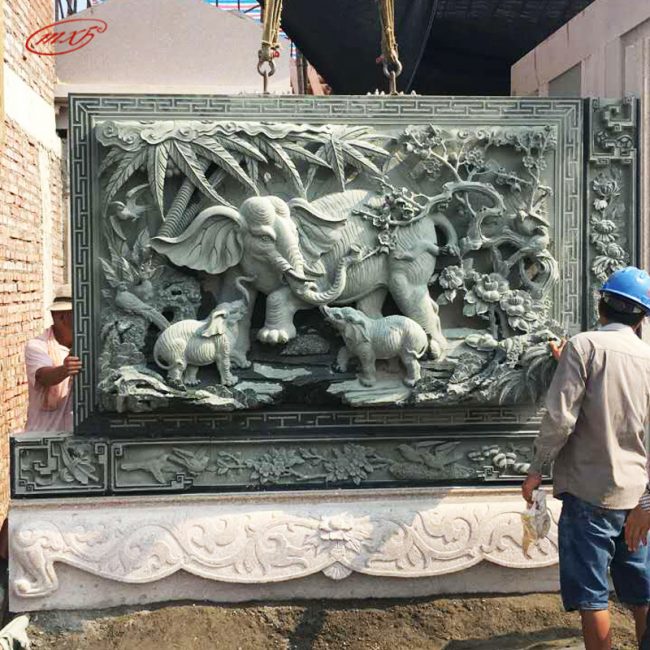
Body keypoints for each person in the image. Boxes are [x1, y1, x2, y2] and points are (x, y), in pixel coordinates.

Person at [521, 266, 650, 650]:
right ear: (642, 318)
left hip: (589, 495)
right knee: (641, 591)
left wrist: (536, 470)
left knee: (592, 595)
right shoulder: (646, 357)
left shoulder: (584, 346)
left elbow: (560, 419)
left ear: (601, 305)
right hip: (636, 498)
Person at [24, 285, 82, 432]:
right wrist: (64, 370)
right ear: (61, 317)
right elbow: (43, 377)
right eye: (78, 313)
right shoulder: (37, 346)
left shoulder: (87, 346)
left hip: (77, 435)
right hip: (44, 433)